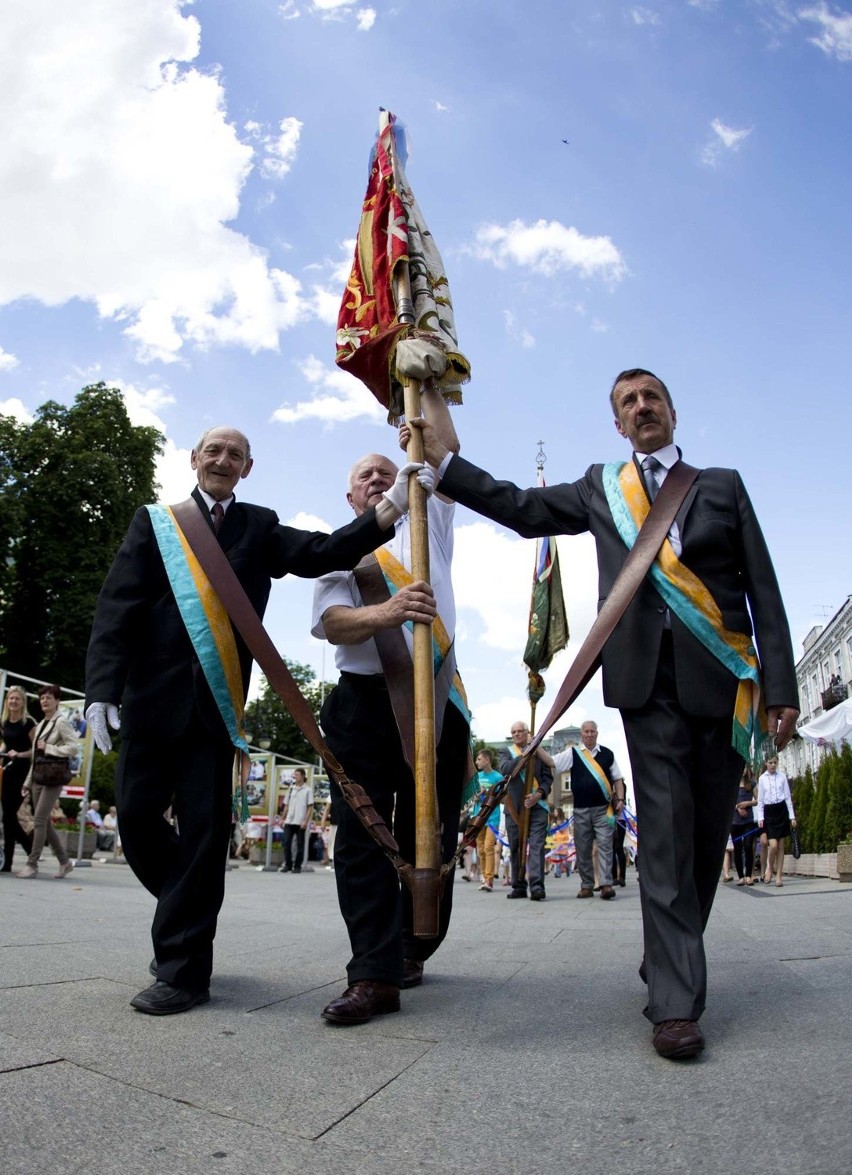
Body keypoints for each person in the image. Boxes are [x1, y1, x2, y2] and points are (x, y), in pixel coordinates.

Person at [411, 367, 799, 1059]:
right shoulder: (600, 487)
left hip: (725, 680)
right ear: (617, 424)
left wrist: (783, 688)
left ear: (674, 413)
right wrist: (441, 464)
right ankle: (675, 1002)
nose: (642, 407)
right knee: (666, 835)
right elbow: (521, 508)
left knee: (705, 837)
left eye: (652, 397)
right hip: (645, 684)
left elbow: (763, 586)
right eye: (629, 402)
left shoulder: (722, 485)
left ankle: (668, 951)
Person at [84, 424, 419, 1016]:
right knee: (135, 820)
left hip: (216, 710)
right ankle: (184, 911)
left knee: (205, 839)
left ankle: (184, 972)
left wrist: (386, 512)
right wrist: (100, 690)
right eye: (213, 450)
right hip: (148, 701)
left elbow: (320, 551)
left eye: (235, 454)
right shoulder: (156, 522)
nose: (222, 459)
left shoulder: (258, 526)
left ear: (248, 467)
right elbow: (118, 606)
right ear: (193, 459)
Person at [312, 379, 471, 1026]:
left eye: (387, 466)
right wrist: (386, 609)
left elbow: (446, 444)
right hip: (363, 701)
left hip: (438, 693)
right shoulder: (336, 544)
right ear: (350, 494)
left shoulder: (427, 515)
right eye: (365, 475)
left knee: (428, 830)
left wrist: (422, 378)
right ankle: (372, 972)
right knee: (362, 836)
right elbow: (331, 623)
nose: (379, 477)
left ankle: (415, 942)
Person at [542, 720, 625, 901]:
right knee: (583, 848)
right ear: (582, 734)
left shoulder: (607, 754)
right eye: (586, 732)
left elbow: (618, 779)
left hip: (603, 809)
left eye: (592, 731)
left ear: (597, 733)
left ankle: (606, 885)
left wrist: (620, 799)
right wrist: (536, 744)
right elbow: (551, 761)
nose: (589, 734)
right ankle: (586, 885)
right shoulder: (574, 753)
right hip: (580, 809)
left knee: (605, 846)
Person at [15, 684, 78, 880]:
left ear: (57, 700)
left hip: (54, 777)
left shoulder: (61, 722)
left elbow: (74, 748)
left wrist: (50, 748)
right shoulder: (41, 723)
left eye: (49, 698)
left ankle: (32, 864)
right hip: (38, 777)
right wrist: (27, 781)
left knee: (39, 820)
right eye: (42, 698)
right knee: (45, 823)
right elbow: (35, 757)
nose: (45, 701)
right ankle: (65, 862)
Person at [499, 721, 554, 902]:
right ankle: (518, 885)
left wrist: (538, 794)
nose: (516, 734)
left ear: (527, 733)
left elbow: (548, 778)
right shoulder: (506, 752)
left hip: (537, 807)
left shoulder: (539, 751)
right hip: (514, 808)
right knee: (516, 846)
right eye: (513, 732)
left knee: (537, 846)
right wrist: (524, 755)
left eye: (520, 731)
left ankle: (537, 886)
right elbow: (507, 770)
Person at [0, 684, 35, 872]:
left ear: (23, 703)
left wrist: (19, 754)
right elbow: (5, 744)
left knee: (9, 816)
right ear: (7, 701)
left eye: (17, 699)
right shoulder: (3, 721)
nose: (13, 701)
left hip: (22, 773)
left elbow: (36, 750)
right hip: (7, 771)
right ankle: (23, 854)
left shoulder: (28, 723)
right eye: (11, 698)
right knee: (8, 817)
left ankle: (11, 860)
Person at [757, 756, 796, 888]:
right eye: (770, 763)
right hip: (769, 812)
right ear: (766, 763)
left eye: (775, 762)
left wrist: (792, 817)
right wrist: (761, 818)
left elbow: (788, 797)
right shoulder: (762, 778)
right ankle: (769, 869)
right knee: (772, 845)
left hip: (781, 810)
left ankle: (779, 876)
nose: (773, 765)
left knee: (780, 846)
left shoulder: (782, 777)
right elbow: (760, 801)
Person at [472, 748, 503, 892]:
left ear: (487, 760)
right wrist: (476, 796)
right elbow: (473, 796)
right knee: (480, 850)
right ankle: (485, 877)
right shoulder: (477, 776)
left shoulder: (497, 777)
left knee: (488, 847)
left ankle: (489, 879)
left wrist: (488, 793)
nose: (476, 762)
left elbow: (501, 798)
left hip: (492, 817)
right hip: (478, 816)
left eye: (479, 759)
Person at [278, 768, 312, 874]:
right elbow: (286, 805)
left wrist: (305, 821)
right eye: (294, 775)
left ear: (302, 776)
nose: (295, 776)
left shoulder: (308, 790)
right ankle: (288, 864)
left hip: (300, 821)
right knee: (286, 843)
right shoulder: (291, 789)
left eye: (297, 774)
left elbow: (310, 807)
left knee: (300, 845)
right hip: (289, 820)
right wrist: (282, 818)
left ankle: (297, 866)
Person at [731, 767, 757, 886]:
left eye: (744, 767)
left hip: (748, 821)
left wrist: (748, 803)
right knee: (737, 848)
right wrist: (737, 807)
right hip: (735, 821)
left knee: (748, 846)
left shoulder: (751, 783)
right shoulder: (732, 783)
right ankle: (740, 876)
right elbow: (727, 801)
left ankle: (748, 875)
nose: (742, 769)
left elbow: (758, 799)